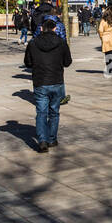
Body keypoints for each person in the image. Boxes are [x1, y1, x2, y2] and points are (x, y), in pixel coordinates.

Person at [23, 15, 72, 152]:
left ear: (41, 28)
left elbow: (28, 63)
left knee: (41, 112)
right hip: (57, 81)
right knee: (54, 112)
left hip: (40, 81)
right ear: (55, 28)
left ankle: (42, 140)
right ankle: (51, 139)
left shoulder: (33, 43)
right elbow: (67, 62)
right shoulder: (61, 42)